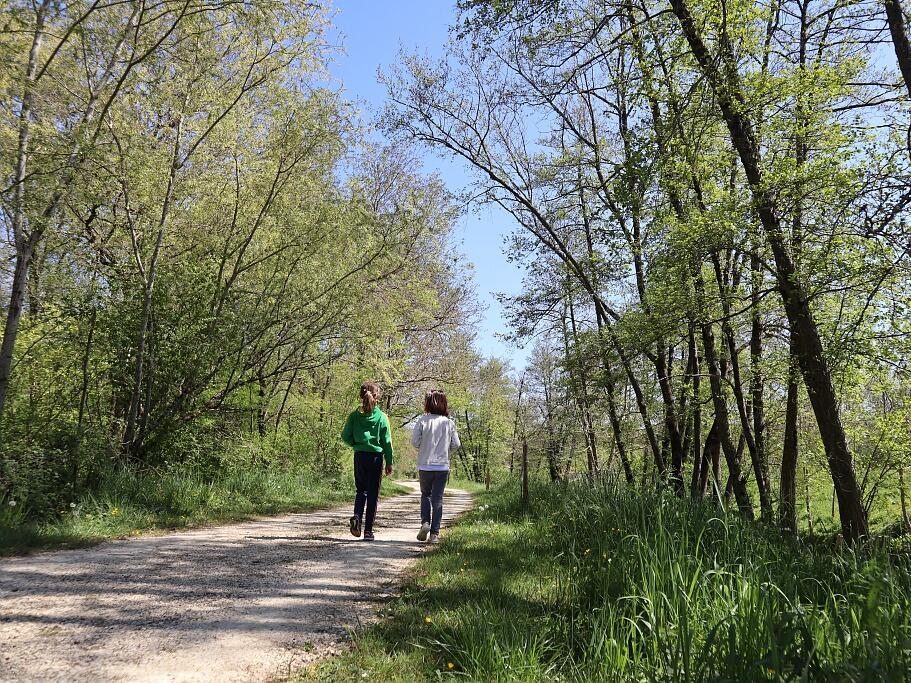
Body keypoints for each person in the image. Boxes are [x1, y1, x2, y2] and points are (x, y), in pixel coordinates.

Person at [341, 381, 394, 541]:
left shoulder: (354, 416)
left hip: (359, 456)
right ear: (377, 397)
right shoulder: (381, 417)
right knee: (372, 494)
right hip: (376, 458)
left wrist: (356, 444)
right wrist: (390, 461)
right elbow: (387, 442)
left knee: (360, 490)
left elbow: (345, 436)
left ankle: (357, 517)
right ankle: (368, 531)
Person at [411, 389, 460, 544]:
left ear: (428, 403)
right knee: (437, 499)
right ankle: (434, 535)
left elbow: (415, 442)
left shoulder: (422, 420)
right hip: (442, 467)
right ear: (444, 404)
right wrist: (445, 449)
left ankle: (425, 523)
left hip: (425, 465)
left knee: (425, 495)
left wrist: (424, 446)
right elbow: (456, 444)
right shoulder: (449, 423)